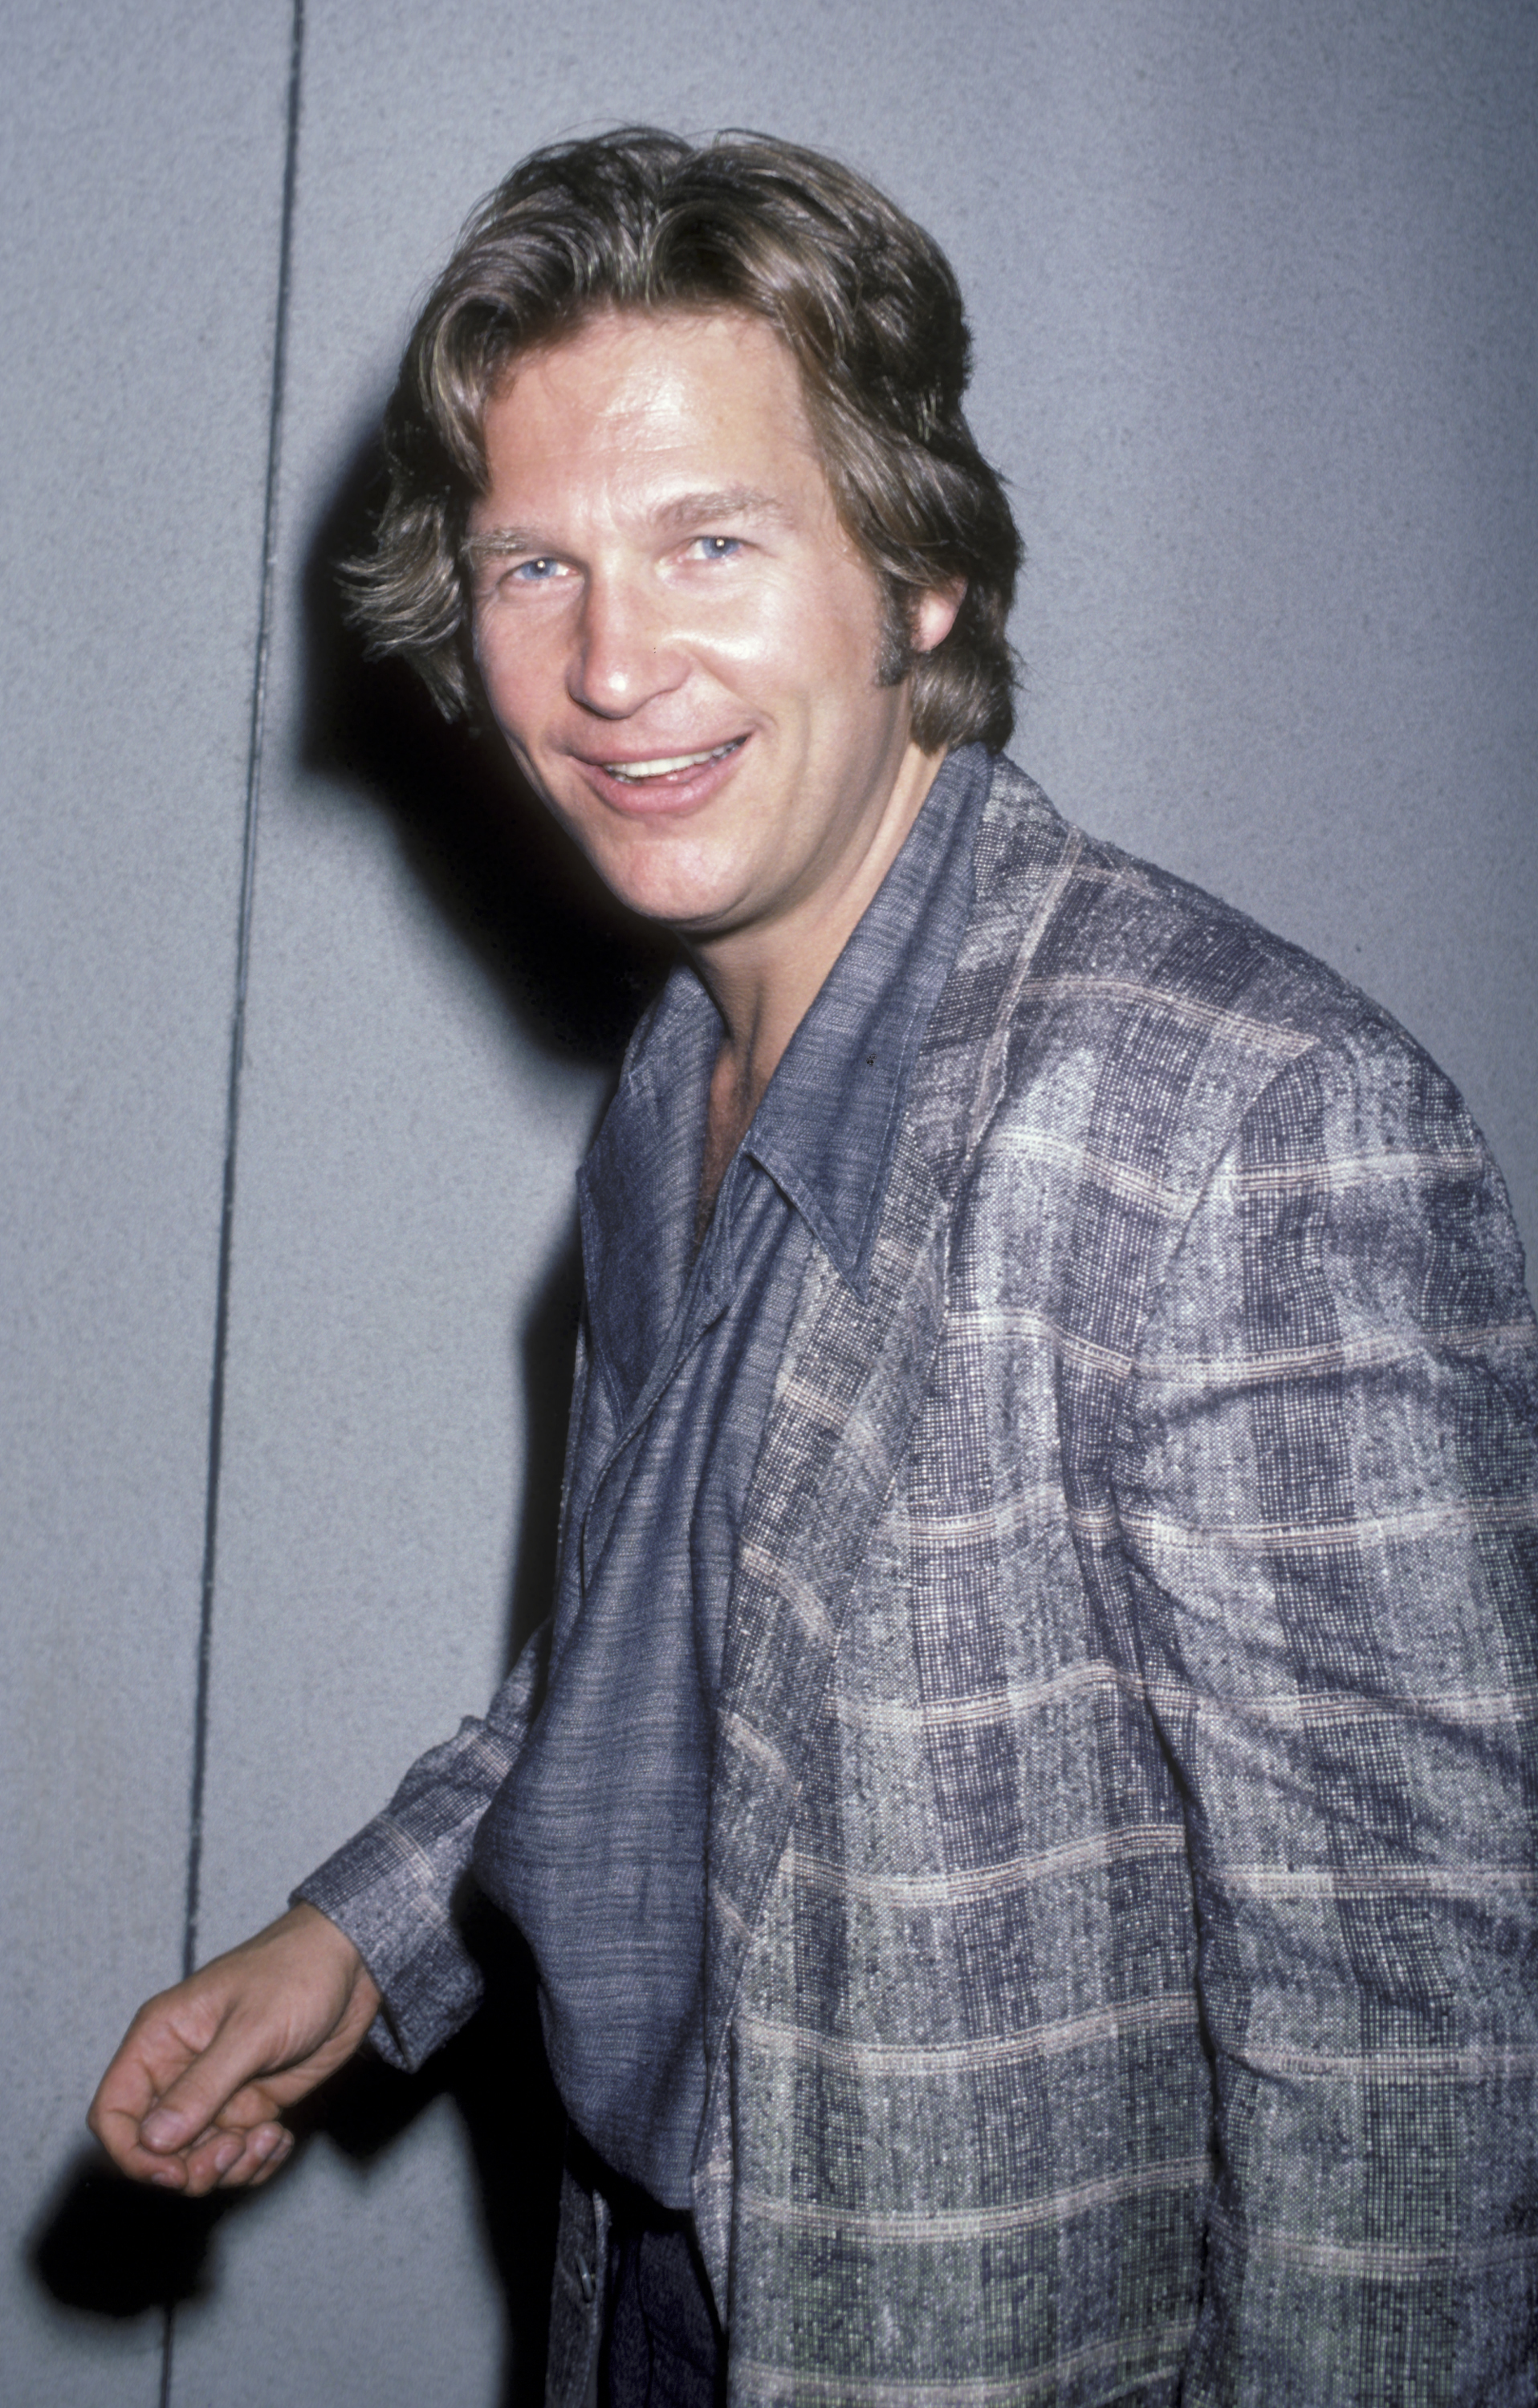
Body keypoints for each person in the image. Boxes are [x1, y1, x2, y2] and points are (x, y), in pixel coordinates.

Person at [91, 128, 1538, 2405]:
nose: (607, 663)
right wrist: (359, 1948)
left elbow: (1422, 2091)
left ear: (916, 578)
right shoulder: (678, 1078)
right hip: (658, 2296)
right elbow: (689, 1655)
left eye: (709, 542)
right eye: (530, 565)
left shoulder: (1241, 1124)